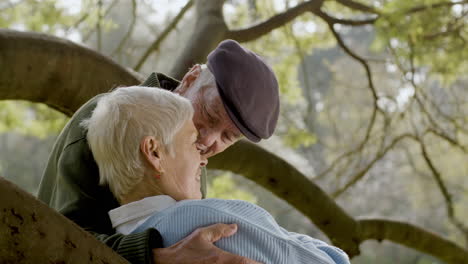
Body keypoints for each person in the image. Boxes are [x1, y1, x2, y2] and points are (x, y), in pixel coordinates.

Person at [37, 39, 279, 264]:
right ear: (190, 79)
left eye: (228, 136)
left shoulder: (193, 163)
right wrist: (159, 257)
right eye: (209, 113)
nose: (207, 140)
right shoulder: (107, 122)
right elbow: (61, 238)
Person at [82, 86, 350, 264]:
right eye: (192, 144)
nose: (204, 158)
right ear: (154, 152)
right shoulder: (202, 221)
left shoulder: (118, 238)